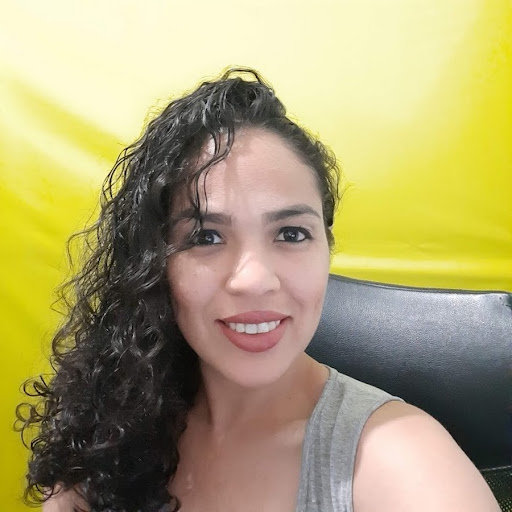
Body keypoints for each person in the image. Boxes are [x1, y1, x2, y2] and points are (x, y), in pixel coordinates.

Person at [17, 68, 499, 512]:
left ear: (326, 249)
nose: (254, 280)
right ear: (154, 263)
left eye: (290, 233)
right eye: (206, 237)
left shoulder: (402, 463)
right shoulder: (115, 423)